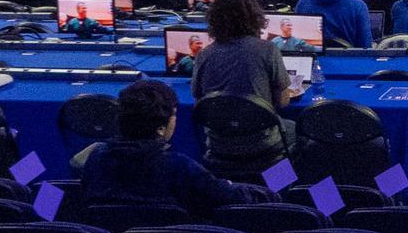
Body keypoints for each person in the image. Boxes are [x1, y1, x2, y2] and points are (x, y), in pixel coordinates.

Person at [77, 78, 267, 219]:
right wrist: (266, 191)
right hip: (262, 159)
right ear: (161, 127)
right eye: (174, 115)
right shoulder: (180, 167)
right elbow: (233, 198)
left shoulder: (96, 158)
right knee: (282, 174)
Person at [193, 0, 300, 114]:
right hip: (261, 132)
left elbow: (199, 97)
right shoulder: (268, 50)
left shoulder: (203, 55)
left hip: (217, 133)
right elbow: (283, 102)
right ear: (254, 16)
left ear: (214, 19)